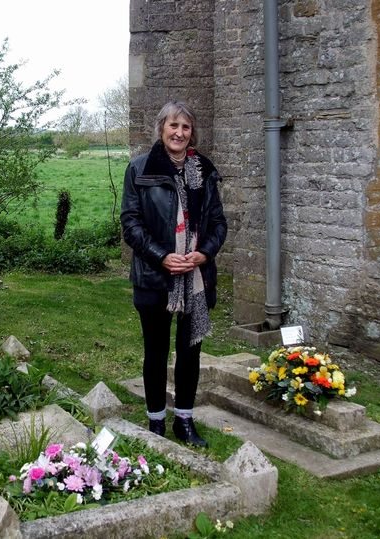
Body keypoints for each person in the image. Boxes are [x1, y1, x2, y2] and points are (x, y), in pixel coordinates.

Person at [121, 101, 227, 448]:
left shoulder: (204, 171)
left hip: (195, 279)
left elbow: (218, 224)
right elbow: (131, 224)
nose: (179, 133)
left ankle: (184, 420)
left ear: (191, 133)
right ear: (161, 129)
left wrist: (204, 253)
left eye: (185, 127)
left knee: (190, 351)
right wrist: (162, 256)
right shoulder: (139, 170)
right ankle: (155, 423)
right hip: (155, 279)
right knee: (155, 351)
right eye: (173, 126)